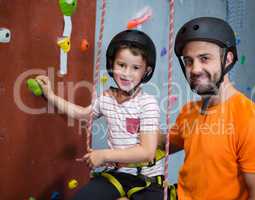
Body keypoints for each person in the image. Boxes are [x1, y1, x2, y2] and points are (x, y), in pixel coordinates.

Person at [159, 17, 255, 200]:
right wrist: (135, 124)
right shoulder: (189, 111)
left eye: (204, 58)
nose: (194, 69)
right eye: (189, 61)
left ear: (228, 59)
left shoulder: (254, 122)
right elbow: (167, 143)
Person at [36, 30, 166, 200]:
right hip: (118, 175)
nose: (126, 73)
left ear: (146, 72)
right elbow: (82, 114)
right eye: (121, 65)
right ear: (112, 64)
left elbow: (147, 152)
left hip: (147, 180)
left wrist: (104, 155)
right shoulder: (106, 99)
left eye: (135, 68)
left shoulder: (147, 104)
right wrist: (51, 95)